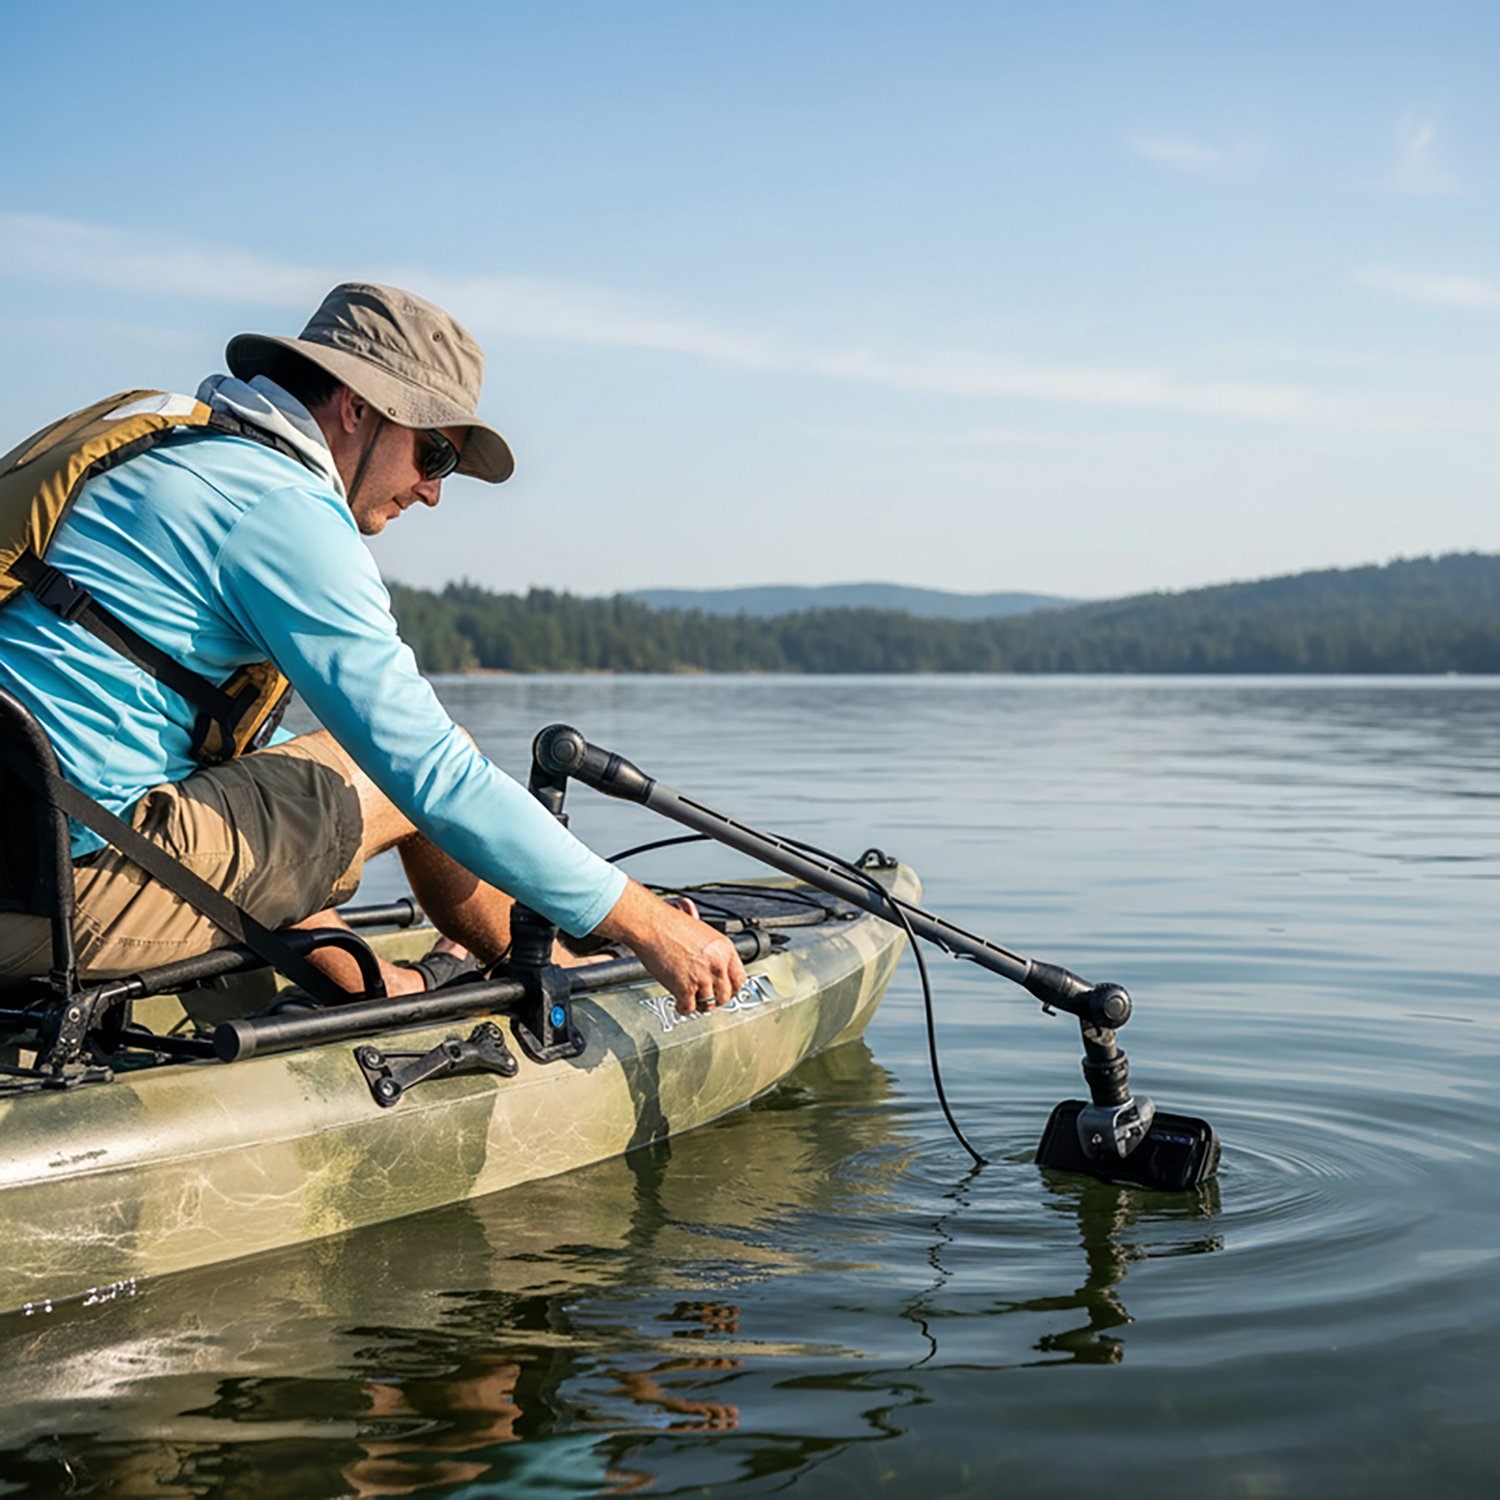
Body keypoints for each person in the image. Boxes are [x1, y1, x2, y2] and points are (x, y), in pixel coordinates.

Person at [0, 282, 746, 1012]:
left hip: (31, 862)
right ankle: (551, 974)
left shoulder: (171, 456)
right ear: (357, 408)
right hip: (56, 900)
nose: (433, 492)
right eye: (434, 456)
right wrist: (648, 923)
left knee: (289, 783)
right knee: (390, 773)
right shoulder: (280, 508)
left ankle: (395, 989)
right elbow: (429, 773)